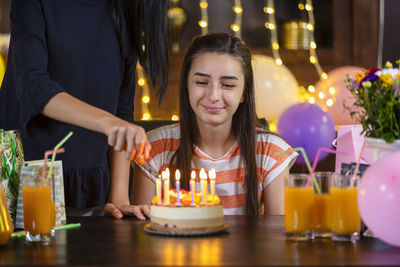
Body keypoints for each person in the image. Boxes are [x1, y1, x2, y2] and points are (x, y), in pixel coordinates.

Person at [0, 0, 168, 215]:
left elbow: (122, 109)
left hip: (93, 182)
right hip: (28, 174)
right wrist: (109, 124)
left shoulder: (124, 9)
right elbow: (34, 88)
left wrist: (119, 199)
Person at [114, 32, 297, 217]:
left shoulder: (270, 151)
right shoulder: (154, 149)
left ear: (244, 93)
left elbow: (278, 236)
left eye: (227, 85)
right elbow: (143, 232)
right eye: (201, 82)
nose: (213, 96)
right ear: (186, 85)